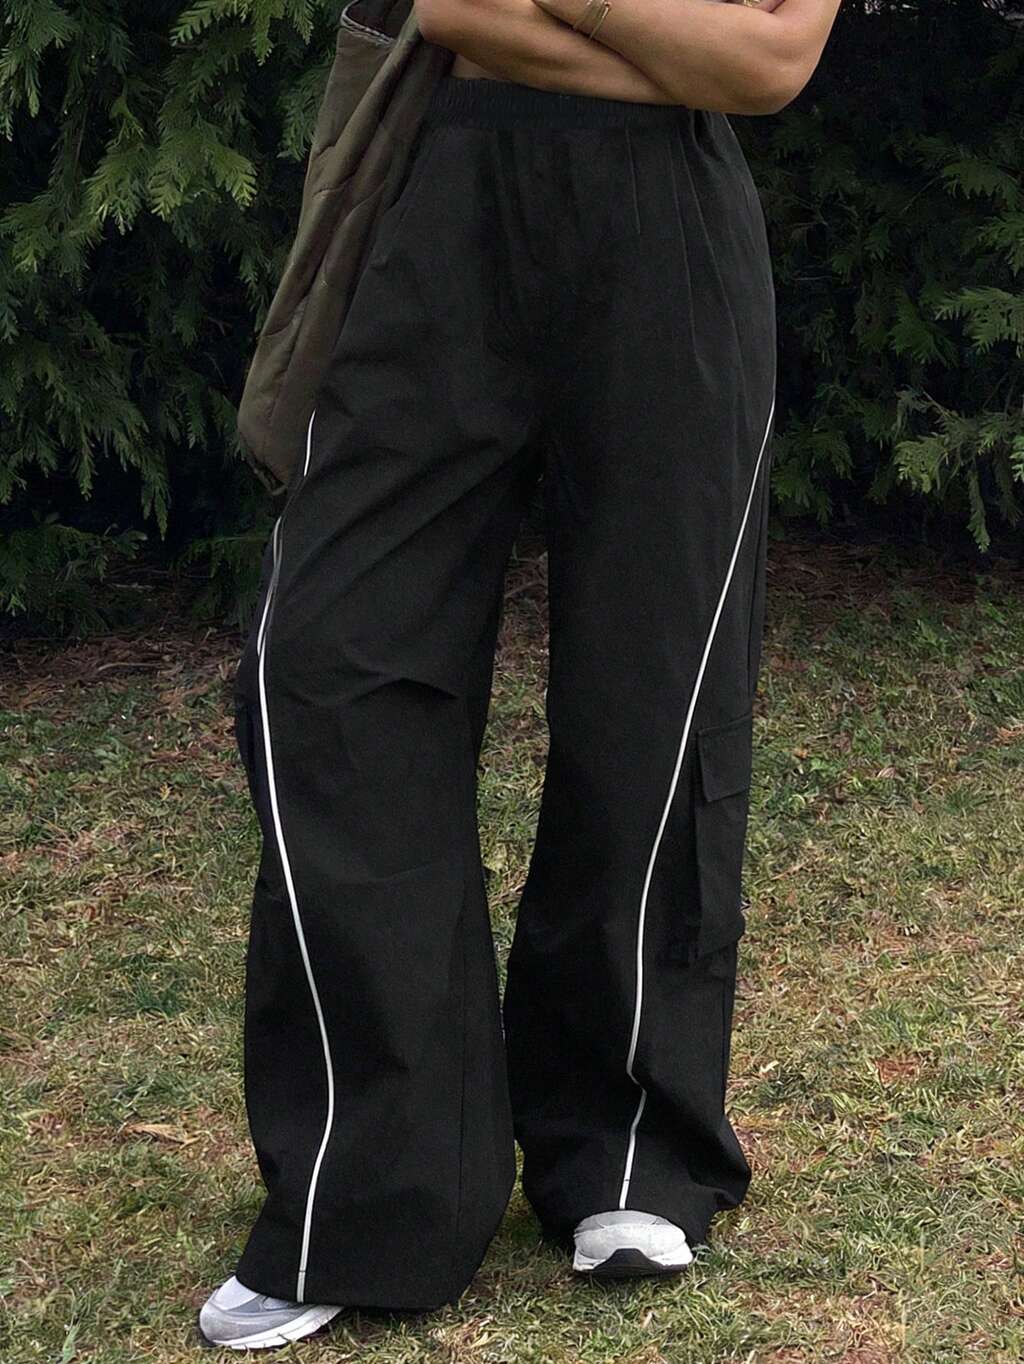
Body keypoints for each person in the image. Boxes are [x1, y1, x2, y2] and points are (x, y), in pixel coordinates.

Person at [199, 0, 842, 1349]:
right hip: (445, 198)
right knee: (330, 664)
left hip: (671, 226)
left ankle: (628, 1150)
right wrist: (670, 44)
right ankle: (371, 1188)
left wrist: (592, 22)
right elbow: (452, 9)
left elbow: (773, 61)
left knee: (659, 689)